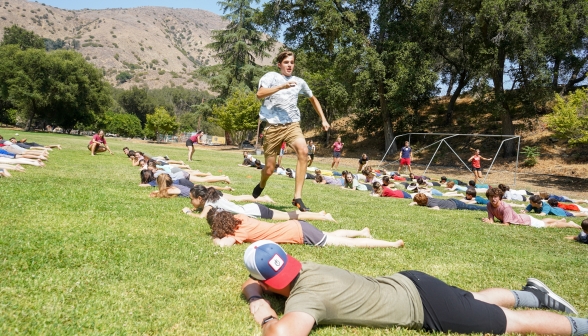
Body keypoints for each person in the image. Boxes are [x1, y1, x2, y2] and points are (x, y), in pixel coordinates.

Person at [241, 240, 585, 336]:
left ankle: (580, 327)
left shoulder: (304, 298)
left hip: (426, 308)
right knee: (472, 299)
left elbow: (282, 334)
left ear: (266, 283)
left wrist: (258, 302)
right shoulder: (310, 268)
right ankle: (536, 295)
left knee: (514, 324)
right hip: (411, 281)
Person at [251, 51, 330, 212]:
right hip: (272, 128)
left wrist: (323, 118)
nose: (289, 65)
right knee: (269, 169)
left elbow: (313, 98)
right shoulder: (271, 76)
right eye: (286, 62)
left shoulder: (299, 82)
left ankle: (297, 197)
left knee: (303, 151)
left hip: (292, 125)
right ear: (279, 64)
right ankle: (262, 183)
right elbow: (259, 94)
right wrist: (281, 86)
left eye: (292, 62)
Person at [205, 208, 404, 248]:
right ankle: (362, 232)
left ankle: (392, 244)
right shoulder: (240, 219)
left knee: (344, 244)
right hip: (297, 226)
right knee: (329, 234)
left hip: (299, 233)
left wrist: (214, 237)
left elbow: (223, 246)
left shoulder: (238, 233)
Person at [185, 185, 335, 221]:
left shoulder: (209, 205)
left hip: (253, 211)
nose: (191, 201)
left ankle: (323, 217)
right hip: (252, 208)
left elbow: (200, 217)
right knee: (287, 215)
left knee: (289, 217)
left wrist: (188, 212)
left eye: (191, 198)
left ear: (199, 198)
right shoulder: (214, 197)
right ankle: (318, 214)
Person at [483, 187, 580, 229]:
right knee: (542, 221)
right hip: (521, 216)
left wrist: (491, 224)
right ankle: (562, 220)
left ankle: (570, 224)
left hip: (525, 221)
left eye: (495, 197)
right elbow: (491, 220)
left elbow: (506, 225)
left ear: (499, 197)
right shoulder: (489, 205)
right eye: (491, 197)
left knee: (546, 225)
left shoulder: (506, 207)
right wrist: (488, 221)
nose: (493, 199)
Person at [522, 195, 588, 217]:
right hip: (556, 209)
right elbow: (526, 210)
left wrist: (530, 215)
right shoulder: (532, 205)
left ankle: (585, 214)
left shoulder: (546, 206)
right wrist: (524, 211)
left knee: (573, 214)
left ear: (536, 203)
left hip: (559, 212)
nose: (529, 203)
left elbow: (542, 214)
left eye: (531, 202)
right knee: (573, 213)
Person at [411, 193, 486, 211]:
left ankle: (486, 208)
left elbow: (436, 208)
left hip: (456, 205)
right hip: (452, 200)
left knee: (471, 207)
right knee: (468, 205)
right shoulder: (428, 198)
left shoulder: (431, 204)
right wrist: (415, 203)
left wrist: (429, 209)